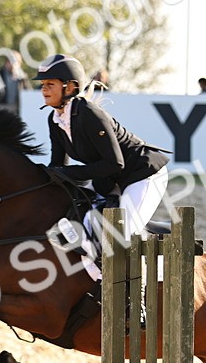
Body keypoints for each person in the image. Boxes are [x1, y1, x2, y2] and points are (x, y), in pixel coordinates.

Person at [35, 53, 170, 242]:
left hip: (143, 174)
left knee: (119, 238)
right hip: (110, 180)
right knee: (84, 222)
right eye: (42, 85)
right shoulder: (55, 119)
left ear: (70, 87)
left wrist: (67, 172)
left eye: (50, 84)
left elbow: (115, 163)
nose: (44, 90)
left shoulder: (89, 114)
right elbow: (58, 166)